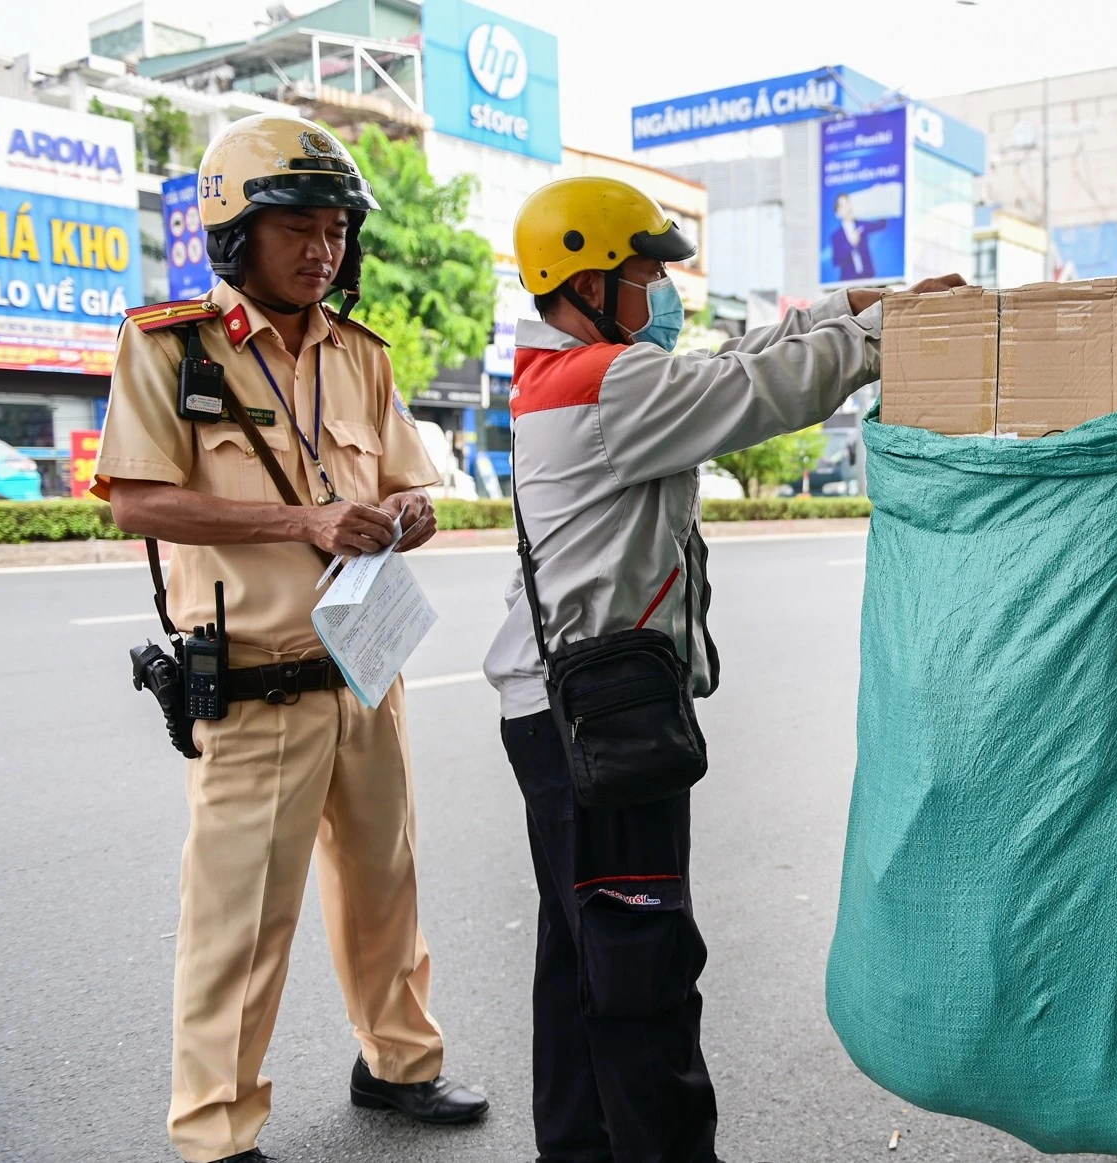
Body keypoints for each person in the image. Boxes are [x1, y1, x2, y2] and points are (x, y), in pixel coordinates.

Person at [483, 174, 964, 1162]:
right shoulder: (609, 385)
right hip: (602, 717)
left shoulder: (576, 373)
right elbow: (761, 387)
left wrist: (863, 306)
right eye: (648, 271)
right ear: (584, 280)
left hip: (557, 708)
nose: (667, 289)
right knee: (639, 961)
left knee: (582, 956)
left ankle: (577, 1145)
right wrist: (893, 336)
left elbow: (739, 355)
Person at [93, 114, 487, 1163]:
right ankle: (216, 1124)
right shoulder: (171, 345)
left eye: (336, 230)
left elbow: (409, 485)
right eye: (298, 229)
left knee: (386, 884)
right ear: (236, 233)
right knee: (240, 921)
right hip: (256, 681)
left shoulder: (360, 354)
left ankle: (399, 1062)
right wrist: (302, 521)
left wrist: (406, 514)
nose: (324, 250)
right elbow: (134, 501)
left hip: (367, 666)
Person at [828, 192, 885, 281]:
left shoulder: (861, 224)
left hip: (868, 279)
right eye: (843, 205)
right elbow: (837, 260)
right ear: (838, 213)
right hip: (848, 282)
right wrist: (851, 244)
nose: (848, 207)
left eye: (848, 202)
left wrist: (879, 197)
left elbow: (881, 225)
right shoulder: (836, 235)